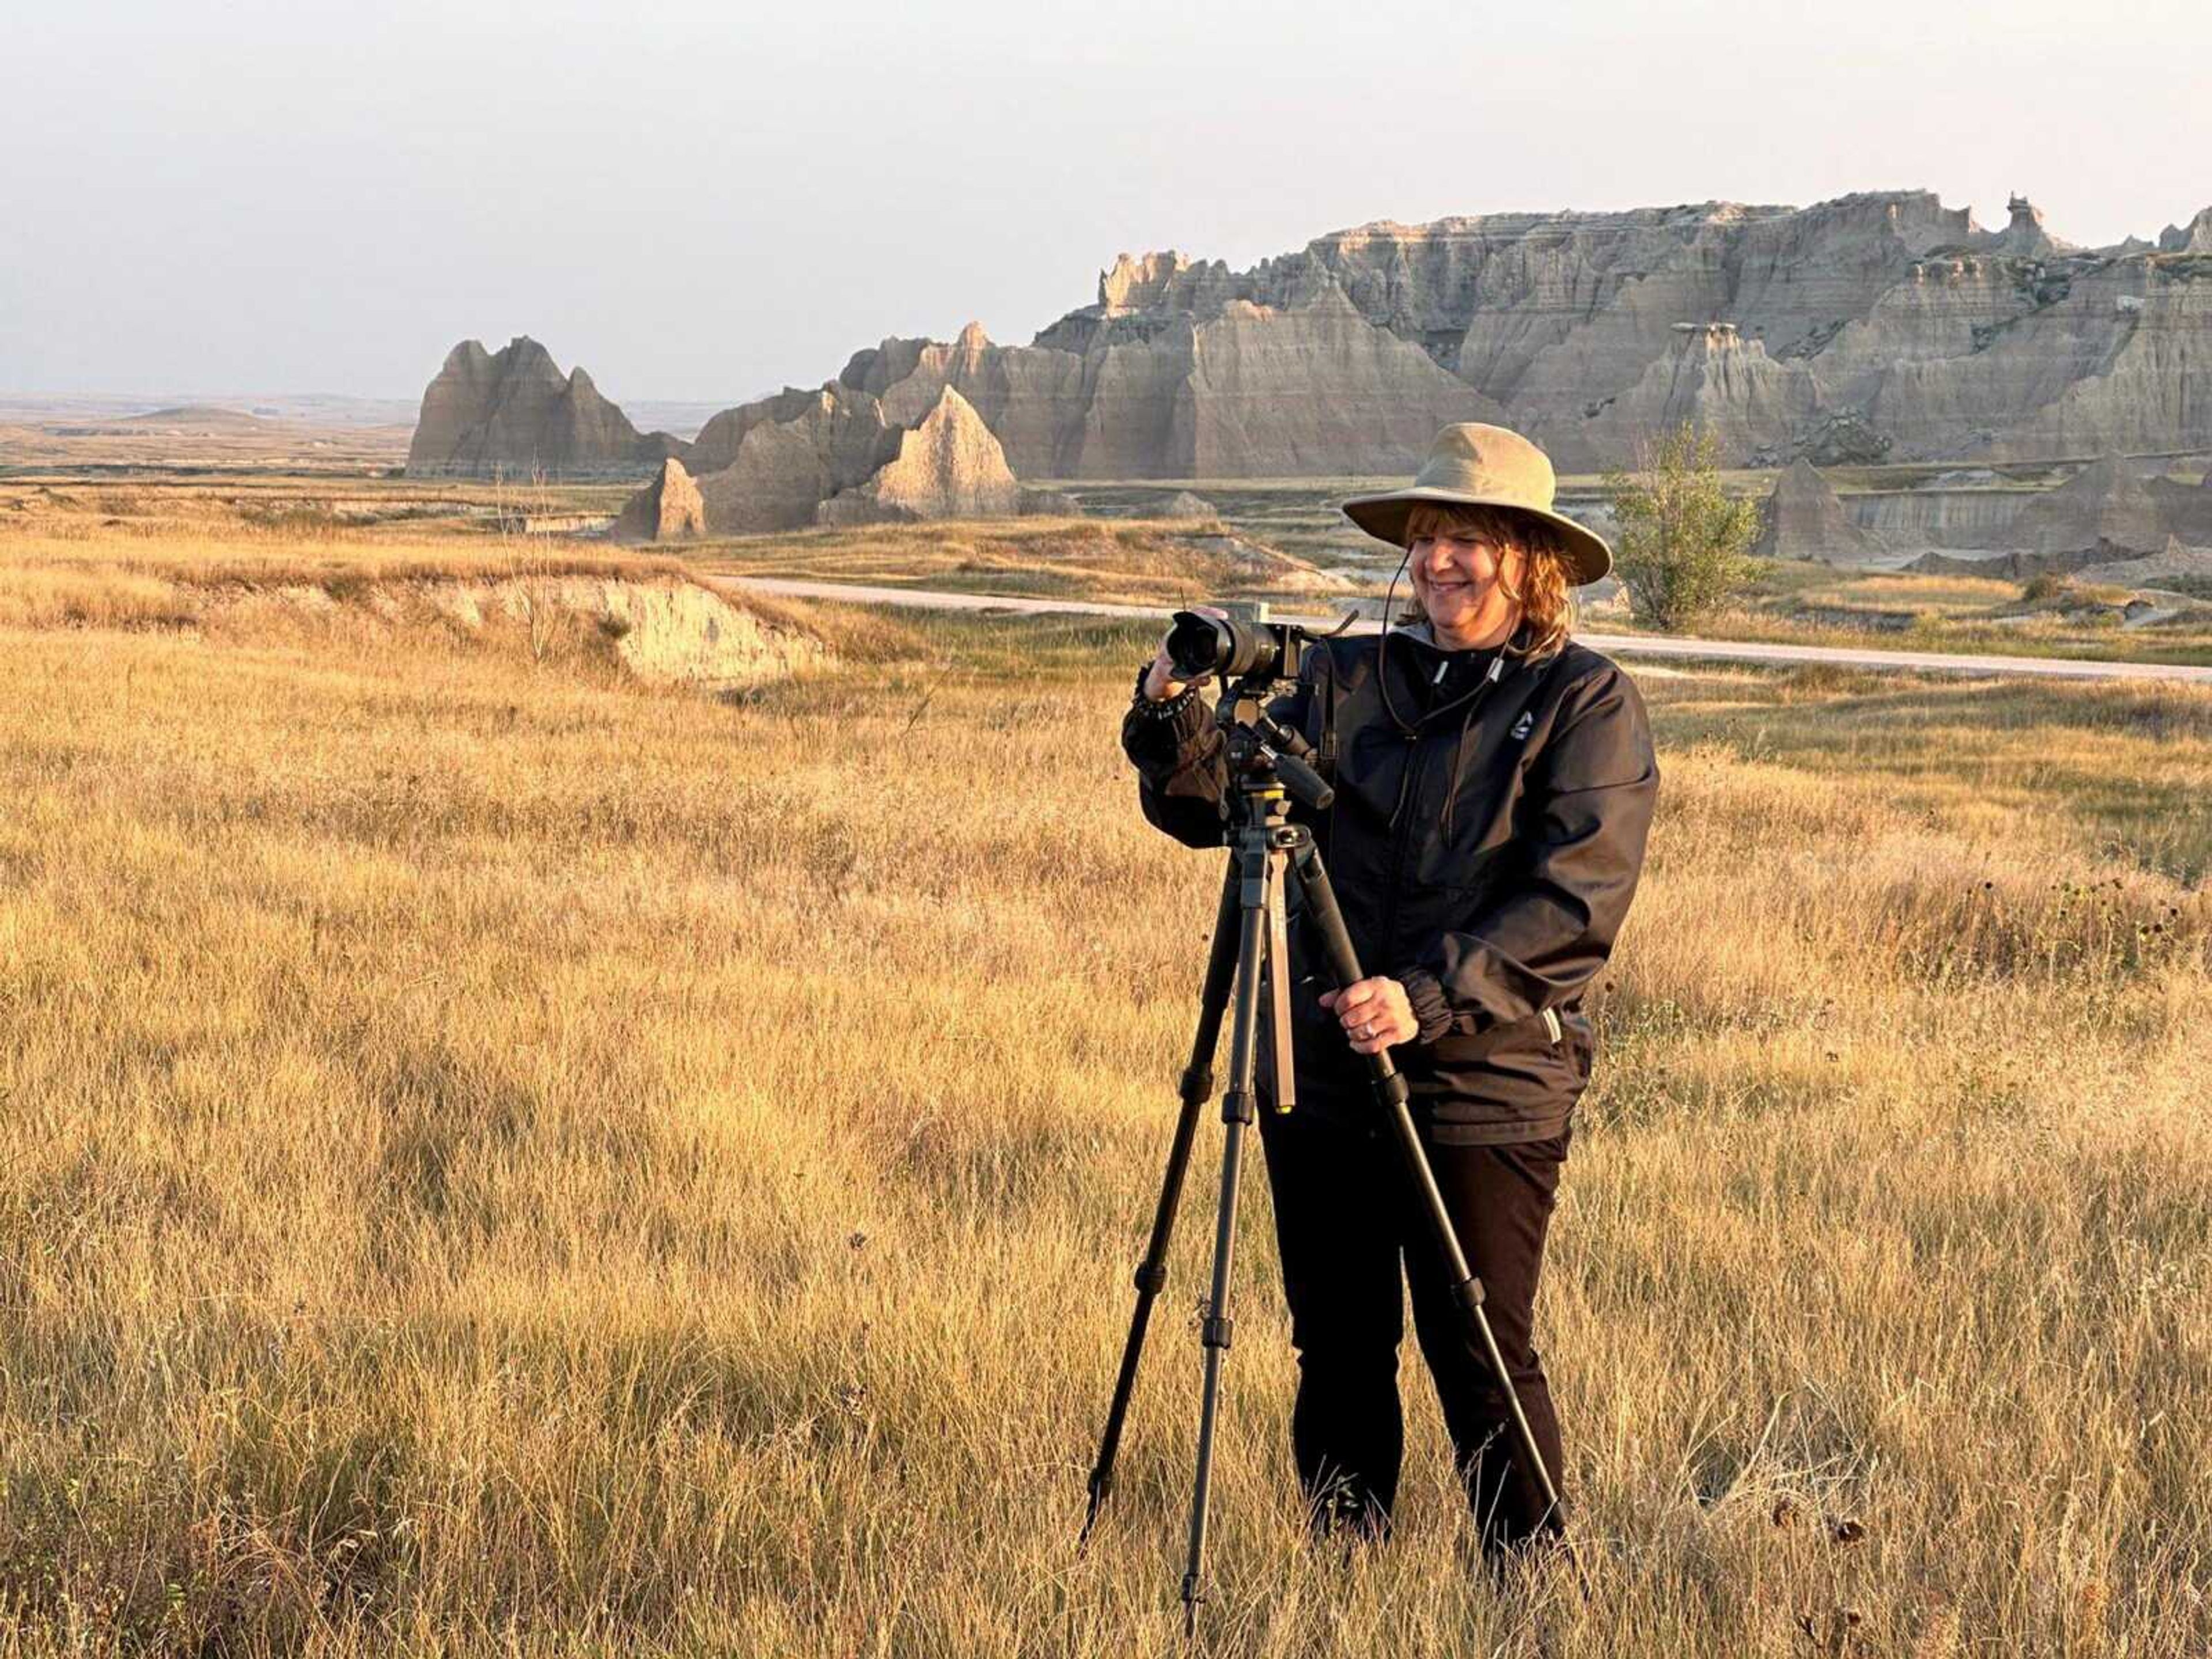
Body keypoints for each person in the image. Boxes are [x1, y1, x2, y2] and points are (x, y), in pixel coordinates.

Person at [1119, 422, 1658, 1559]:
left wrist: (1429, 996)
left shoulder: (1584, 703)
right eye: (1426, 540)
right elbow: (1205, 804)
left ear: (1529, 558)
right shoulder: (1351, 676)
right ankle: (1348, 1561)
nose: (1440, 563)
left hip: (1486, 1076)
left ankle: (1528, 1585)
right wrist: (1170, 712)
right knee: (1340, 1341)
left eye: (1468, 540)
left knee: (1477, 1342)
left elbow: (1576, 899)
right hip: (1321, 1066)